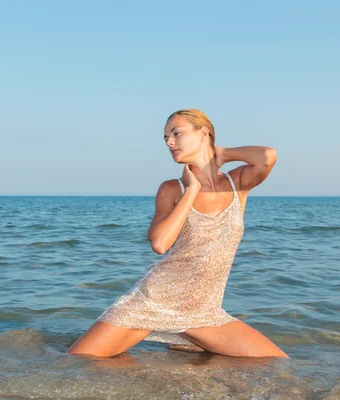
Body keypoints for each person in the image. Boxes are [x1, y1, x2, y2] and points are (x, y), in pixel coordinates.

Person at [67, 109, 289, 359]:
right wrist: (191, 190)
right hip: (155, 301)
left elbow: (267, 156)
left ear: (203, 132)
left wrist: (222, 154)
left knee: (277, 363)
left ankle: (183, 346)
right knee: (78, 362)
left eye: (176, 133)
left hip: (203, 311)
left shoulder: (236, 183)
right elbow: (160, 243)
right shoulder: (172, 189)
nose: (169, 142)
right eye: (165, 138)